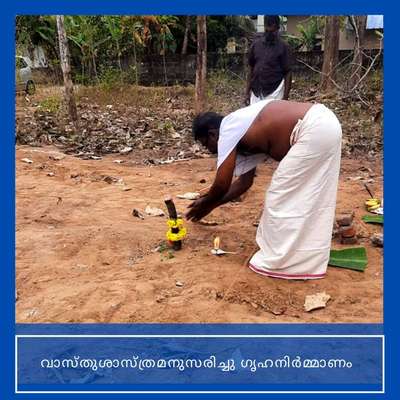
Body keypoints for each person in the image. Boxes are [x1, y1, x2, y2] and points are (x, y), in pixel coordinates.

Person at [187, 100, 342, 280]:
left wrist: (206, 203)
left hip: (314, 129)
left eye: (207, 145)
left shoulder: (228, 128)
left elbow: (222, 184)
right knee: (307, 196)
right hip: (325, 125)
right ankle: (305, 256)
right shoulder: (242, 129)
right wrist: (211, 206)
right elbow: (244, 183)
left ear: (213, 134)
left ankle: (278, 262)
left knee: (279, 195)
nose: (211, 151)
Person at [245, 16, 292, 105]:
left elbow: (288, 72)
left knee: (273, 118)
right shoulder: (256, 45)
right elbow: (250, 67)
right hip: (256, 92)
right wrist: (247, 93)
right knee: (256, 118)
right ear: (265, 27)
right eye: (268, 31)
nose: (270, 34)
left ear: (278, 28)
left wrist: (285, 98)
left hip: (274, 93)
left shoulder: (283, 47)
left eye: (273, 31)